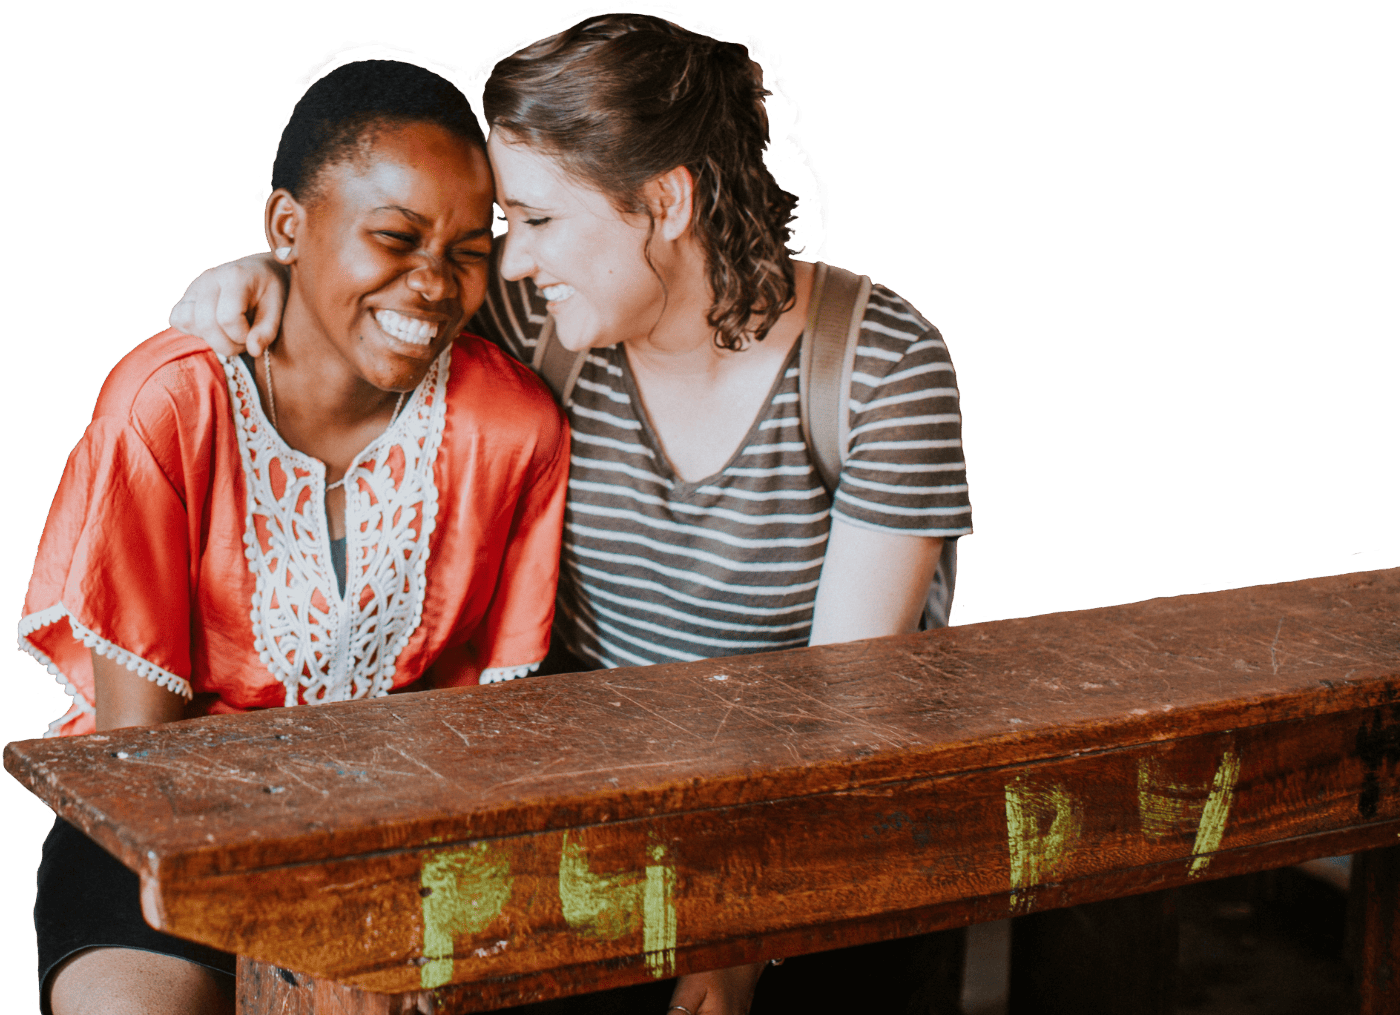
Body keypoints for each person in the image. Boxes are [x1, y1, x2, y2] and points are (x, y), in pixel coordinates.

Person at [172, 15, 974, 1014]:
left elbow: (844, 711)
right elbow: (364, 300)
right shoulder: (542, 323)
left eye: (539, 221)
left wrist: (733, 932)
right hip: (584, 833)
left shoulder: (878, 368)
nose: (510, 262)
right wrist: (260, 280)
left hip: (806, 833)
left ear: (665, 200)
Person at [20, 60, 569, 1015]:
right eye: (395, 237)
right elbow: (141, 764)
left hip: (408, 841)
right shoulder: (171, 403)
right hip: (165, 835)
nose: (436, 284)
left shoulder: (514, 426)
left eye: (470, 248)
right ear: (285, 230)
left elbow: (486, 740)